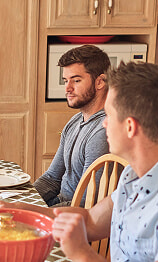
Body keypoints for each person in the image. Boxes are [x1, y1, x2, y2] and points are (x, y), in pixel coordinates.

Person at [0, 62, 158, 261]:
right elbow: (90, 221)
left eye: (110, 115)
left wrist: (82, 254)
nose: (104, 122)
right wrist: (19, 210)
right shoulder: (136, 174)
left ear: (130, 127)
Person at [34, 44, 110, 207]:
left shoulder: (102, 131)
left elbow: (85, 204)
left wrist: (28, 211)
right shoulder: (75, 122)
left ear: (100, 82)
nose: (67, 88)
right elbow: (51, 179)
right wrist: (20, 202)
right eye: (65, 81)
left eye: (76, 80)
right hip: (61, 204)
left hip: (76, 217)